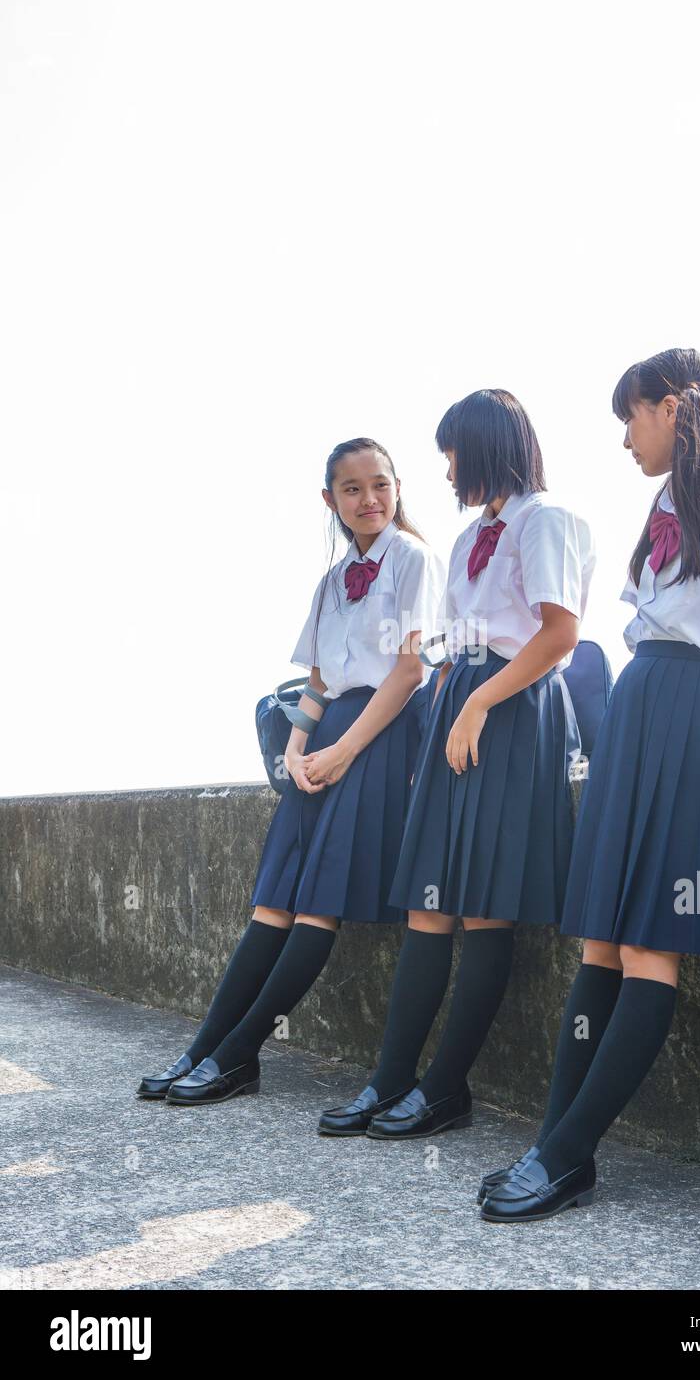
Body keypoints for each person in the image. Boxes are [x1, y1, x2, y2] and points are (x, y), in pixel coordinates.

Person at [479, 347, 700, 1222]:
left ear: (672, 403)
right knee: (600, 936)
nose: (625, 437)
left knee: (647, 942)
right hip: (643, 699)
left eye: (632, 416)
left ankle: (565, 1154)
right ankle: (556, 1143)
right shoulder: (670, 493)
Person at [319, 388, 596, 1139]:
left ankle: (445, 1089)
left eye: (451, 455)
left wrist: (478, 705)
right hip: (461, 702)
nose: (444, 471)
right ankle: (389, 1079)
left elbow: (558, 636)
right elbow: (453, 643)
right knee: (428, 905)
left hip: (509, 706)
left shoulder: (547, 519)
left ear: (481, 447)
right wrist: (450, 708)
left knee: (484, 905)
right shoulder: (480, 529)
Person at [136, 437, 446, 1106]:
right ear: (329, 498)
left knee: (317, 907)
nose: (369, 500)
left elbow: (409, 672)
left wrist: (344, 751)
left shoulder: (413, 559)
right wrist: (297, 748)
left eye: (381, 485)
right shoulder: (332, 580)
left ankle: (237, 1055)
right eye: (353, 489)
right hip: (327, 737)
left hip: (379, 736)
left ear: (397, 487)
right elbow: (316, 680)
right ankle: (205, 1049)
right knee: (272, 902)